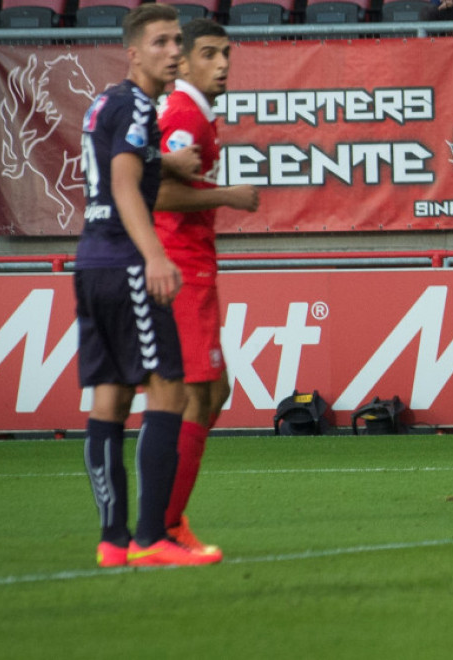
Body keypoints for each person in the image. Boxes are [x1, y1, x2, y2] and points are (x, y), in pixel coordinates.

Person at [76, 4, 218, 568]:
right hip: (127, 260)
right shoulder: (138, 104)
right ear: (133, 51)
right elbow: (123, 180)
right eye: (161, 42)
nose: (174, 51)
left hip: (90, 263)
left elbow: (122, 159)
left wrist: (166, 157)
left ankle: (112, 540)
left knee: (109, 396)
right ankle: (152, 536)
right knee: (170, 391)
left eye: (178, 41)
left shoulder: (103, 103)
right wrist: (154, 255)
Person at [151, 18, 261, 557]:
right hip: (178, 268)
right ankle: (166, 526)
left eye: (227, 54)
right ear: (186, 61)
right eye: (211, 54)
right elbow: (160, 198)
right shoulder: (184, 115)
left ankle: (167, 518)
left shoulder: (197, 114)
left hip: (192, 267)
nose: (223, 65)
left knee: (208, 392)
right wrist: (227, 196)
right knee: (201, 393)